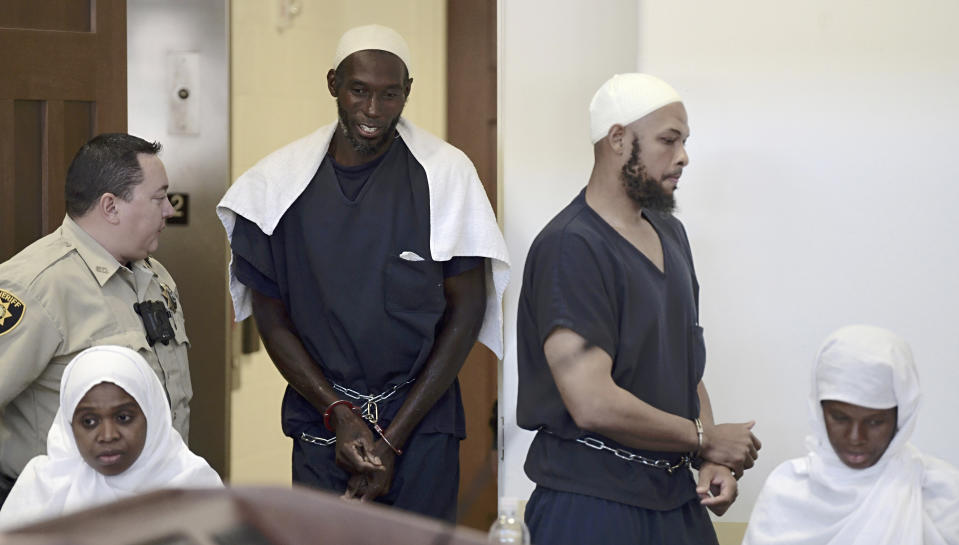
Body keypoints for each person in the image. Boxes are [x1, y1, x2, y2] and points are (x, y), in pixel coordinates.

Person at [216, 24, 509, 521]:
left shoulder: (446, 175)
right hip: (322, 421)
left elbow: (467, 310)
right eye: (359, 91)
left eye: (390, 94)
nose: (374, 110)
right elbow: (272, 318)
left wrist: (392, 440)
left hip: (422, 423)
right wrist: (338, 413)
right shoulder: (276, 186)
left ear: (407, 92)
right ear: (333, 84)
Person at [516, 73, 762, 545]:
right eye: (668, 140)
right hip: (590, 506)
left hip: (675, 500)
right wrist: (704, 438)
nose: (683, 156)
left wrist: (709, 461)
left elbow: (684, 367)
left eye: (685, 141)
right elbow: (591, 402)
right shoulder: (571, 246)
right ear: (617, 138)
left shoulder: (671, 234)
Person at [0, 134, 192, 508]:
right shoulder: (36, 286)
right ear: (111, 207)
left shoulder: (156, 278)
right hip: (64, 516)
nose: (169, 210)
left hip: (154, 507)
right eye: (158, 198)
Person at [742, 325, 959, 545]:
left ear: (901, 417)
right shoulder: (787, 491)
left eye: (875, 422)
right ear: (819, 411)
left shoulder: (940, 494)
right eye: (840, 418)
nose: (856, 437)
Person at [0, 346, 221, 529]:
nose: (107, 436)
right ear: (69, 426)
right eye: (89, 422)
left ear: (152, 416)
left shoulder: (194, 487)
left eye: (124, 417)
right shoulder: (42, 488)